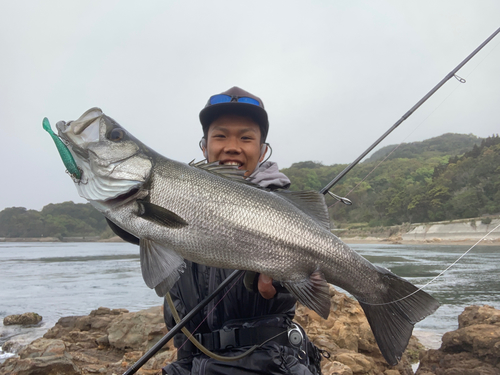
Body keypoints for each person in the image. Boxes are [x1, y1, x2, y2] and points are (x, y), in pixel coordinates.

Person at [162, 87, 323, 375]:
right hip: (190, 362)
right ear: (204, 146)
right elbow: (132, 224)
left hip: (266, 363)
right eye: (220, 135)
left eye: (246, 137)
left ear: (262, 150)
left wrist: (286, 282)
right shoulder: (178, 201)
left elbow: (306, 281)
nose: (232, 146)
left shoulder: (282, 206)